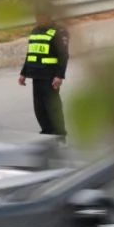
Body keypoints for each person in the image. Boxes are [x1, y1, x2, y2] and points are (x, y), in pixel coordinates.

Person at [18, 8, 69, 138]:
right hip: (36, 75)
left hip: (50, 76)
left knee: (53, 107)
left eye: (40, 17)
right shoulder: (35, 31)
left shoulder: (59, 31)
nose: (38, 20)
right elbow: (31, 54)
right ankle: (46, 133)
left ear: (48, 16)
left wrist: (59, 75)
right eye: (36, 17)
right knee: (39, 108)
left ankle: (59, 134)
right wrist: (23, 73)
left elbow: (63, 55)